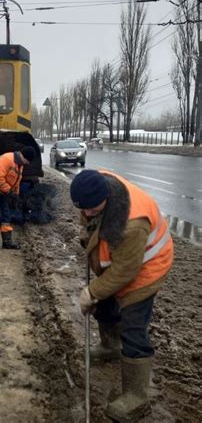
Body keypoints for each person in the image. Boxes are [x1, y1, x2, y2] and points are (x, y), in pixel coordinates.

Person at [70, 170, 173, 422]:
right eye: (83, 210)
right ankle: (110, 346)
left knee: (133, 327)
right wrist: (87, 228)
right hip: (120, 264)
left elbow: (125, 272)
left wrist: (91, 291)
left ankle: (137, 396)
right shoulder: (94, 184)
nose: (86, 214)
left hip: (147, 268)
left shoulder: (131, 224)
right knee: (104, 306)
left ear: (104, 199)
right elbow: (87, 214)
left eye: (92, 210)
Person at [0, 146, 36, 249]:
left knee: (6, 216)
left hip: (4, 192)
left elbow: (16, 181)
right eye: (27, 161)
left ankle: (7, 242)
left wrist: (16, 195)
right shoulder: (7, 159)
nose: (27, 163)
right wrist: (9, 191)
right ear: (23, 156)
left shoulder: (19, 164)